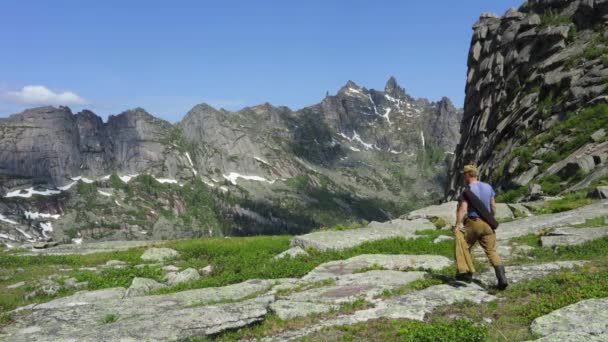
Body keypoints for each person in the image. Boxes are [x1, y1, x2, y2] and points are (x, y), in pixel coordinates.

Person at [452, 164, 508, 290]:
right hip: (488, 224)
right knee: (491, 251)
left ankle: (466, 273)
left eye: (464, 175)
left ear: (467, 175)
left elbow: (463, 209)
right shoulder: (488, 187)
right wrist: (490, 218)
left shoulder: (467, 190)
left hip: (473, 223)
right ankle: (502, 278)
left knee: (463, 245)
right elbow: (493, 206)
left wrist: (457, 225)